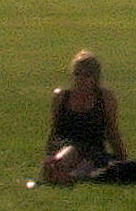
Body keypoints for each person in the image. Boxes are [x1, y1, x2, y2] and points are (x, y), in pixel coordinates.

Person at [39, 51, 128, 185]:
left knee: (83, 164)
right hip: (65, 146)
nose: (80, 80)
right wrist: (49, 153)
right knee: (68, 154)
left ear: (95, 78)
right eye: (77, 74)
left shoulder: (105, 98)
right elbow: (54, 130)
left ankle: (68, 176)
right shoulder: (61, 97)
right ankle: (61, 171)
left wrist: (123, 160)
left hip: (93, 151)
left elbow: (112, 131)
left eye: (86, 75)